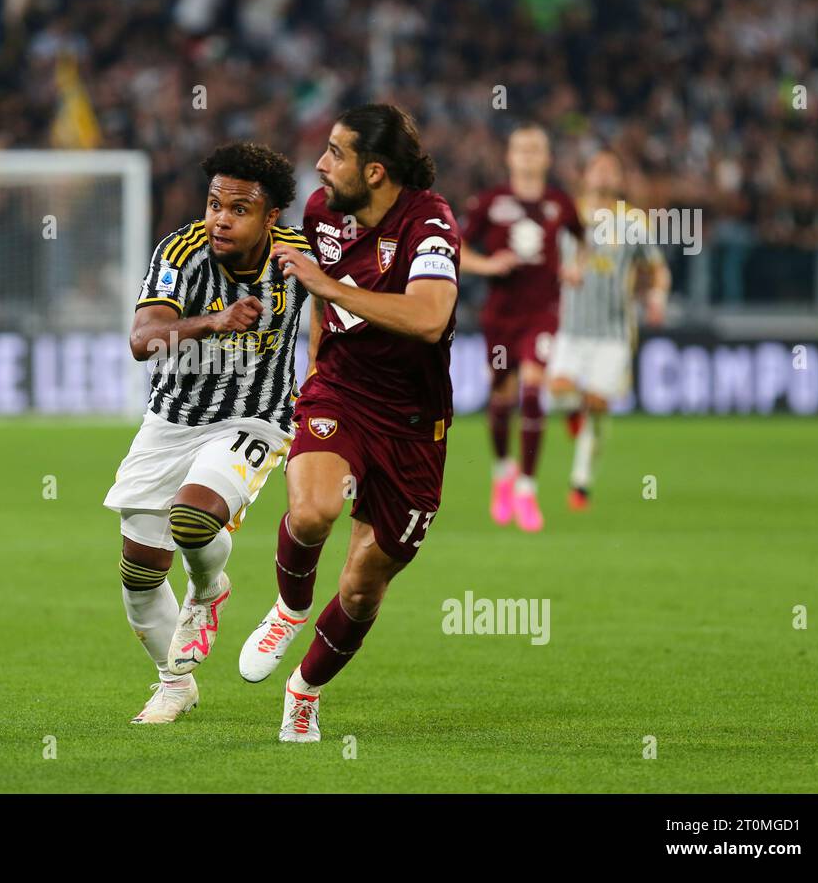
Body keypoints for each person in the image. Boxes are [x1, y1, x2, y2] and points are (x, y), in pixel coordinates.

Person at [237, 104, 460, 742]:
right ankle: (289, 607)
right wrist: (313, 366)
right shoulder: (320, 211)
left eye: (335, 153)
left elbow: (427, 319)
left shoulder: (432, 224)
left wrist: (329, 291)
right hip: (340, 392)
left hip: (414, 424)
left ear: (376, 170)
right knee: (311, 513)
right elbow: (315, 292)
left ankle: (304, 689)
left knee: (363, 586)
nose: (320, 164)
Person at [103, 142, 312, 724]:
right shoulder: (182, 250)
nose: (221, 218)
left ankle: (207, 586)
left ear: (270, 218)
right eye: (215, 203)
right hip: (171, 420)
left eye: (239, 209)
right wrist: (212, 322)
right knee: (140, 571)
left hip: (256, 418)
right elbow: (144, 340)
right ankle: (175, 682)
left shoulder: (298, 258)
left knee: (193, 518)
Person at [460, 124, 585, 531]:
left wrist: (574, 267)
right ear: (510, 157)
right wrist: (488, 264)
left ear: (547, 158)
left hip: (543, 312)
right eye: (522, 149)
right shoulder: (491, 202)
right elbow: (455, 249)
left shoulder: (559, 203)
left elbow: (582, 241)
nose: (529, 155)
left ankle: (527, 489)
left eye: (537, 149)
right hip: (500, 313)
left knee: (533, 391)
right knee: (502, 395)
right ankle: (502, 473)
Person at [548, 149, 670, 509]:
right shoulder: (565, 215)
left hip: (613, 332)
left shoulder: (632, 223)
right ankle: (573, 413)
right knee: (559, 391)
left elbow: (656, 268)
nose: (603, 174)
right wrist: (560, 273)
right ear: (585, 175)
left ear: (619, 180)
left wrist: (657, 298)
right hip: (570, 328)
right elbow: (546, 262)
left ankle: (580, 484)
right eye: (597, 168)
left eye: (611, 169)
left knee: (599, 405)